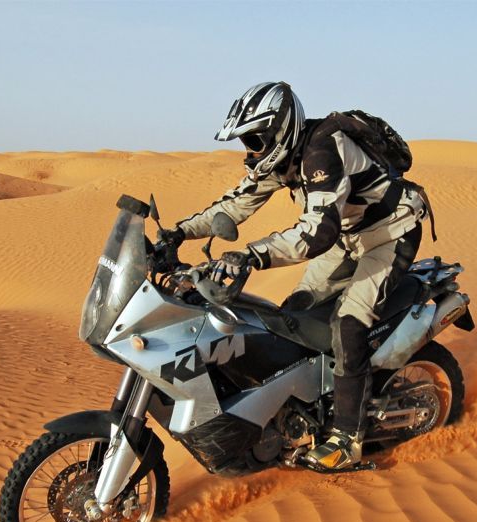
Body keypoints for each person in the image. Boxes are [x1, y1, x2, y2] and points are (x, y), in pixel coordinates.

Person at [159, 81, 428, 470]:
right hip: (347, 238)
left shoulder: (322, 152)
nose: (251, 151)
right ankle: (304, 411)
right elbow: (234, 204)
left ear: (279, 130)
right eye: (247, 142)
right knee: (294, 318)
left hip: (388, 235)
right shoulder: (281, 158)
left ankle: (347, 438)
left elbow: (317, 233)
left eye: (255, 139)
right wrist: (178, 233)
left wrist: (252, 255)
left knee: (349, 324)